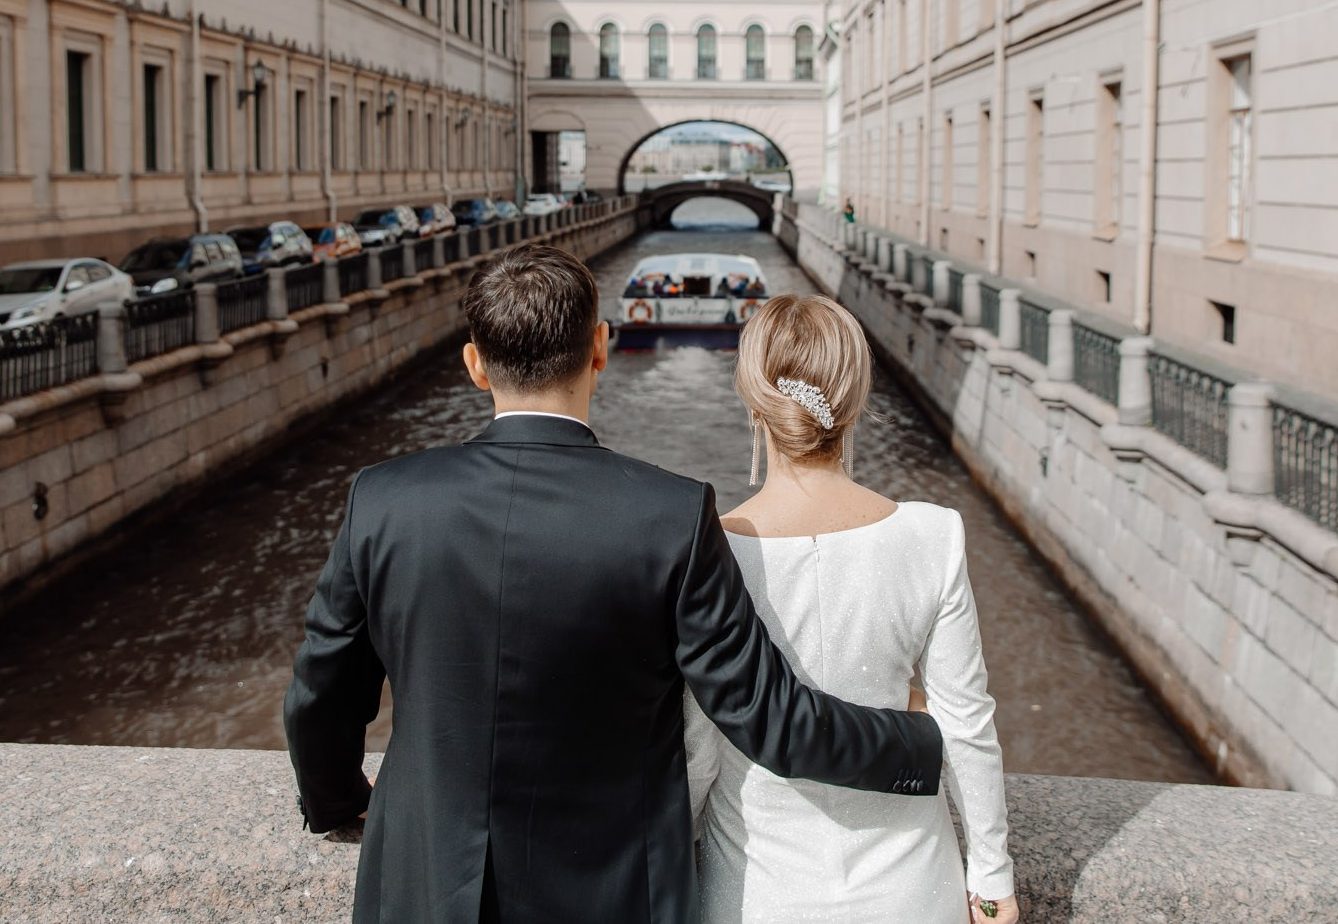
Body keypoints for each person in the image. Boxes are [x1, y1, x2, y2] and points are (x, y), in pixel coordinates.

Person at [283, 244, 945, 924]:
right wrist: (924, 742)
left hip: (424, 882)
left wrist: (336, 801)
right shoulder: (672, 515)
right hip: (613, 892)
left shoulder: (385, 501)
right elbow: (769, 717)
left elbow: (321, 693)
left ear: (474, 363)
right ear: (600, 347)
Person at [685, 293, 1018, 923]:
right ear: (857, 396)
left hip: (756, 891)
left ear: (753, 401)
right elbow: (968, 725)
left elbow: (699, 749)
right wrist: (994, 876)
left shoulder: (707, 552)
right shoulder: (933, 536)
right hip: (913, 891)